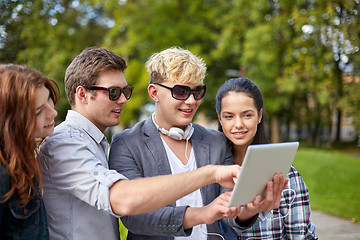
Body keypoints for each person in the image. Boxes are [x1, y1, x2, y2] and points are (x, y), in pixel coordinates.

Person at [38, 47, 242, 240]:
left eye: (124, 91)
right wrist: (209, 175)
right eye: (113, 93)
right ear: (82, 94)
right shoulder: (64, 144)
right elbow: (123, 201)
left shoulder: (94, 142)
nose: (123, 100)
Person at [109, 47, 286, 240]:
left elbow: (228, 210)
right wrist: (201, 214)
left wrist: (248, 210)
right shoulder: (127, 143)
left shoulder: (216, 141)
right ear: (154, 93)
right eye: (181, 91)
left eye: (197, 91)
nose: (192, 101)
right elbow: (133, 217)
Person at [216, 77, 318, 239]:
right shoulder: (213, 172)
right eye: (229, 116)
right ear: (220, 118)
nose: (238, 124)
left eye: (247, 115)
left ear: (260, 115)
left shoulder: (286, 175)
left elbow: (300, 236)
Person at [0, 64, 59, 239]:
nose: (53, 112)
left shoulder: (23, 158)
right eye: (38, 112)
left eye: (49, 99)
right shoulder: (3, 174)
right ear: (11, 122)